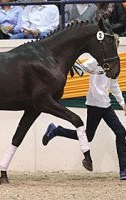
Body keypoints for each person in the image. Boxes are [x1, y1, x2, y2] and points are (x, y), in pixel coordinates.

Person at [42, 40, 126, 180]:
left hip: (106, 105)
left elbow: (114, 85)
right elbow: (79, 68)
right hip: (94, 105)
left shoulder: (112, 65)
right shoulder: (94, 61)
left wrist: (122, 102)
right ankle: (57, 130)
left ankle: (123, 170)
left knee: (120, 132)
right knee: (89, 136)